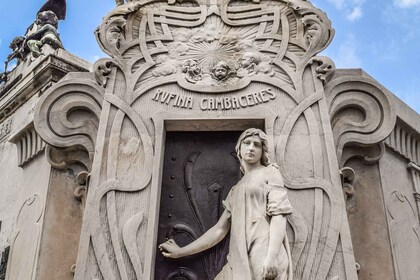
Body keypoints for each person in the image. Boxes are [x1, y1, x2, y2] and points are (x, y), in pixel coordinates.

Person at [159, 128, 293, 280]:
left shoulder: (270, 173)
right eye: (247, 143)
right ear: (239, 149)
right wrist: (180, 251)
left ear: (263, 151)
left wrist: (272, 256)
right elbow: (218, 231)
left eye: (257, 145)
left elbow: (279, 215)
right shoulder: (235, 190)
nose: (251, 148)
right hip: (238, 256)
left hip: (263, 249)